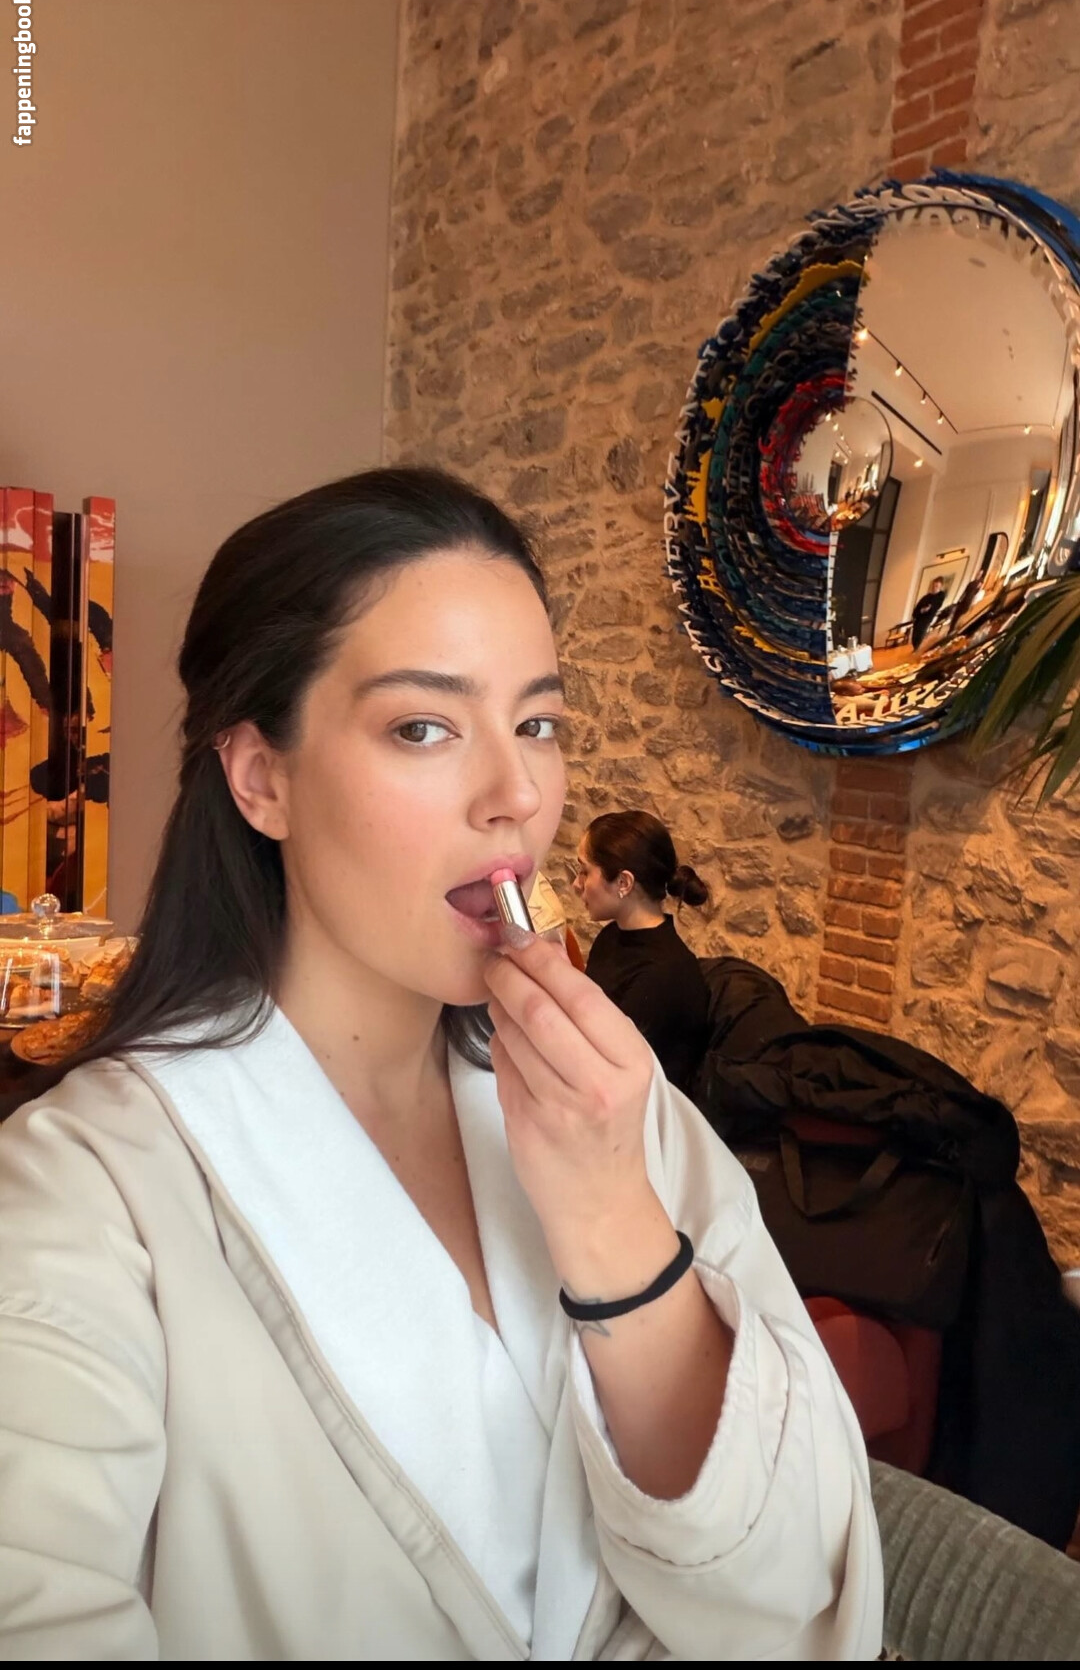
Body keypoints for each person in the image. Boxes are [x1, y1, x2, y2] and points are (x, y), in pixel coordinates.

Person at [0, 468, 882, 1659]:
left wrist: (614, 1222)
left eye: (538, 724)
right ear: (262, 777)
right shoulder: (81, 1195)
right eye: (424, 726)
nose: (516, 794)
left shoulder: (622, 1116)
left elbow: (795, 1583)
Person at [575, 811, 713, 1091]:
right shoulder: (611, 936)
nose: (576, 885)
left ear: (623, 883)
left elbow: (610, 1074)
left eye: (585, 871)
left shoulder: (665, 975)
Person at [910, 575, 948, 650]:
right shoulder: (926, 597)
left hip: (926, 620)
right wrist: (921, 611)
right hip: (918, 618)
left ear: (940, 587)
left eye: (937, 586)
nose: (934, 588)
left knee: (920, 635)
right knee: (914, 637)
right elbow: (917, 608)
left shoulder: (940, 596)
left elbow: (937, 605)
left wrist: (930, 608)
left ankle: (916, 650)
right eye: (933, 586)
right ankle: (915, 649)